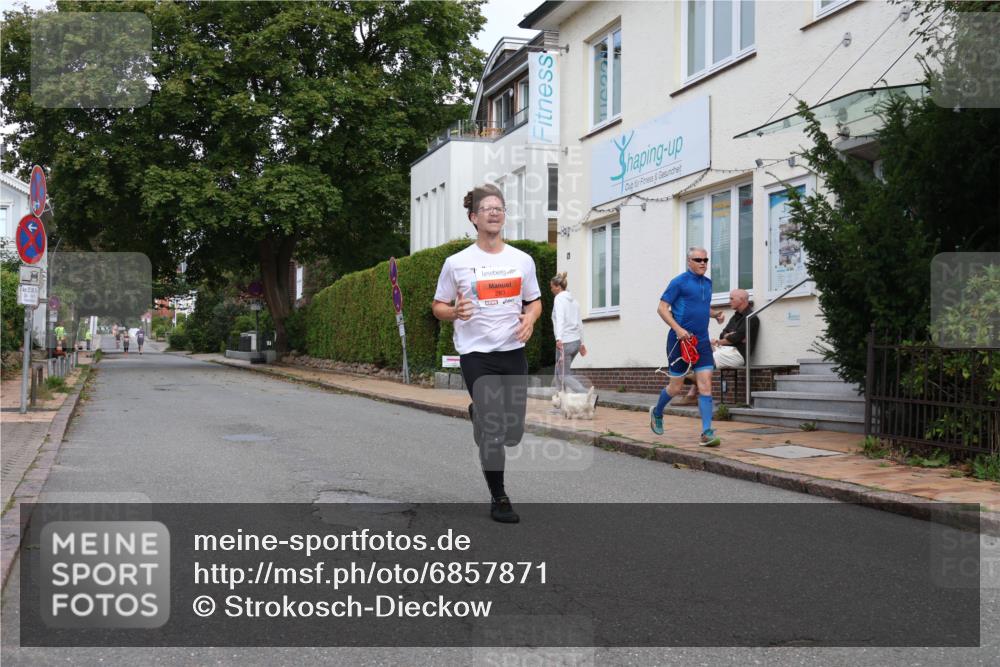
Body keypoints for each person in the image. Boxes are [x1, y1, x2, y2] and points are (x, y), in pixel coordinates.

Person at [432, 183, 542, 524]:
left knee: (513, 433)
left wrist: (531, 319)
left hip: (512, 353)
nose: (495, 212)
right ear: (474, 218)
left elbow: (534, 301)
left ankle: (480, 416)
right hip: (476, 355)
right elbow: (437, 306)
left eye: (500, 207)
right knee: (495, 429)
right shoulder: (457, 263)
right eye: (488, 208)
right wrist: (454, 312)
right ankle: (500, 497)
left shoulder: (522, 261)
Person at [649, 247, 725, 447]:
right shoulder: (679, 282)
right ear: (689, 261)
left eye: (705, 260)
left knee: (706, 385)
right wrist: (678, 329)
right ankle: (657, 412)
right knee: (676, 387)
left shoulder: (708, 284)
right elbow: (662, 308)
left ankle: (707, 432)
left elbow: (700, 306)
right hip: (679, 341)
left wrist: (715, 314)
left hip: (701, 341)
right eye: (698, 259)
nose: (703, 263)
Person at [677, 288, 759, 402]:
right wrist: (729, 337)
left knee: (707, 358)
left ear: (742, 300)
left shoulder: (752, 318)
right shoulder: (736, 316)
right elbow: (723, 334)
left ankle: (695, 382)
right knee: (702, 349)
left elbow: (734, 338)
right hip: (726, 350)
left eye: (731, 298)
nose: (729, 301)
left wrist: (726, 339)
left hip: (738, 354)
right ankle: (693, 390)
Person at [550, 272, 588, 394]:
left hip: (565, 343)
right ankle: (560, 403)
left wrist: (559, 338)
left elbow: (560, 318)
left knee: (564, 375)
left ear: (558, 286)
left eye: (552, 287)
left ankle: (587, 395)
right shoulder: (574, 301)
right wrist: (582, 343)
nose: (551, 289)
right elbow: (579, 323)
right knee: (559, 372)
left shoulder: (559, 299)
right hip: (575, 342)